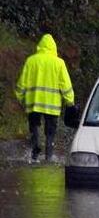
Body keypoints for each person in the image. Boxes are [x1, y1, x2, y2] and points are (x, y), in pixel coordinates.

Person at [15, 34, 74, 162]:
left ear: (40, 46)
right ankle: (48, 157)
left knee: (34, 126)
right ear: (54, 48)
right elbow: (66, 85)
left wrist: (19, 97)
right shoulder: (59, 63)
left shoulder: (31, 61)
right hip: (52, 105)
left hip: (34, 102)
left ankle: (36, 146)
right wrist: (70, 102)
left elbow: (22, 82)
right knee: (50, 133)